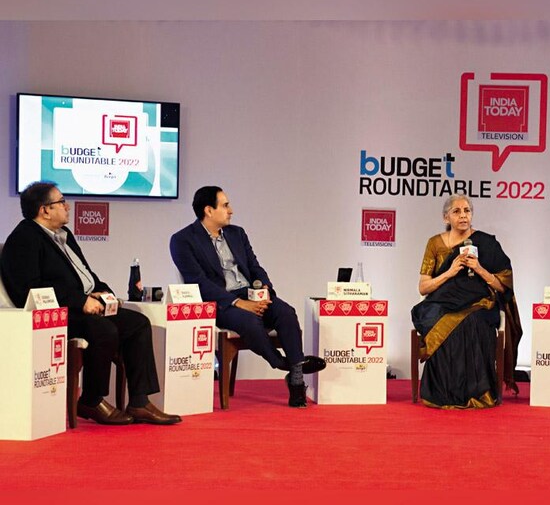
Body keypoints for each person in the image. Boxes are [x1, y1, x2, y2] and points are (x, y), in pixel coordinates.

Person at [0, 182, 181, 425]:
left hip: (83, 306)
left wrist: (102, 292)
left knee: (137, 323)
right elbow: (29, 289)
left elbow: (84, 274)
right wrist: (80, 301)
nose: (68, 207)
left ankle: (139, 401)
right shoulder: (24, 238)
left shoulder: (64, 235)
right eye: (61, 202)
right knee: (102, 329)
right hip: (55, 314)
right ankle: (91, 400)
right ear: (45, 210)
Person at [169, 186, 325, 408]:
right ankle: (288, 366)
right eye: (225, 205)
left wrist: (265, 291)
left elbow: (254, 267)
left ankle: (296, 379)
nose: (231, 210)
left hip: (250, 294)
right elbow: (199, 283)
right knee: (250, 321)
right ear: (208, 210)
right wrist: (239, 303)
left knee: (286, 313)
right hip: (220, 303)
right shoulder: (183, 240)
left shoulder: (237, 234)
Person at [410, 194, 523, 408]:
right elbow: (423, 287)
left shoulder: (487, 243)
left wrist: (479, 268)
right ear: (446, 217)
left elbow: (503, 286)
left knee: (472, 322)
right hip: (443, 302)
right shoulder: (434, 244)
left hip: (480, 303)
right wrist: (450, 272)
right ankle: (443, 393)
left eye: (467, 211)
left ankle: (477, 392)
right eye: (457, 211)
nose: (463, 216)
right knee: (440, 320)